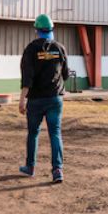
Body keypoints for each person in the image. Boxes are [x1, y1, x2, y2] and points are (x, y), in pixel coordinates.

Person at [19, 14, 68, 183]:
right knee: (55, 133)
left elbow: (27, 77)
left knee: (33, 133)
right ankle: (57, 170)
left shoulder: (31, 49)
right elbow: (65, 74)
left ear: (37, 30)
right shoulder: (59, 48)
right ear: (51, 29)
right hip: (55, 98)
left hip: (36, 100)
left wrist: (22, 99)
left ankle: (30, 167)